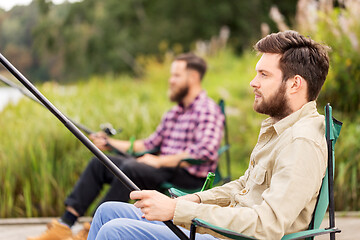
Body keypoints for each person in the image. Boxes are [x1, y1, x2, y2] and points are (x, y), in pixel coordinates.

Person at [87, 30, 331, 240]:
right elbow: (243, 187)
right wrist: (191, 202)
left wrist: (176, 210)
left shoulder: (301, 142)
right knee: (108, 211)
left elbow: (267, 225)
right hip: (226, 228)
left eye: (264, 74)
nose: (253, 82)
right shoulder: (280, 129)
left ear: (295, 84)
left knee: (116, 230)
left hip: (240, 236)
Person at [27, 53, 224, 240]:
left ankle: (90, 229)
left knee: (131, 168)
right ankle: (64, 224)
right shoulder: (174, 113)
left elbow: (205, 152)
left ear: (193, 77)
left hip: (187, 177)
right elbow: (147, 144)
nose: (170, 80)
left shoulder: (206, 110)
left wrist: (158, 161)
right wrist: (109, 143)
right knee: (100, 163)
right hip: (160, 168)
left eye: (176, 75)